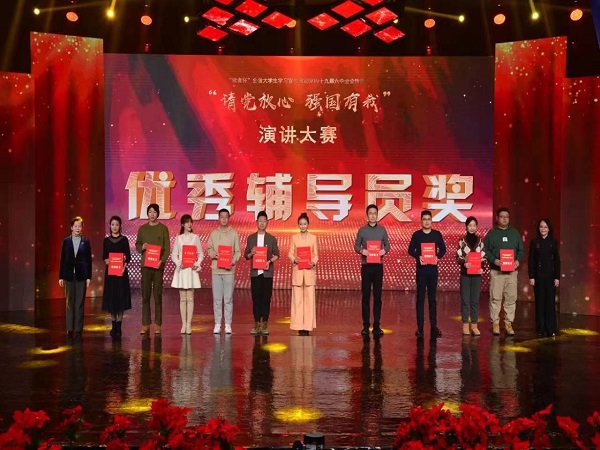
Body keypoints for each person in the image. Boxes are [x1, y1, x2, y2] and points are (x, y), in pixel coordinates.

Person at [484, 207, 525, 336]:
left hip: (511, 272)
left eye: (506, 217)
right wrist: (494, 260)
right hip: (497, 272)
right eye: (502, 217)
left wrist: (517, 260)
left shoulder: (515, 233)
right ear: (497, 218)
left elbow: (521, 250)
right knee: (495, 298)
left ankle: (508, 323)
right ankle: (495, 323)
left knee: (511, 298)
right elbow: (485, 250)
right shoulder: (491, 234)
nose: (504, 219)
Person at [408, 210, 447, 339]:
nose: (426, 221)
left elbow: (443, 249)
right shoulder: (417, 235)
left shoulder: (436, 234)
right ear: (421, 221)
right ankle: (420, 327)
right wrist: (418, 256)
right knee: (420, 299)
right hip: (421, 271)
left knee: (432, 299)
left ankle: (434, 326)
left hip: (433, 270)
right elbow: (410, 250)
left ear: (431, 220)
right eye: (424, 219)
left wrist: (437, 257)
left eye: (428, 219)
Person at [354, 204, 390, 337]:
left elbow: (388, 245)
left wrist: (383, 251)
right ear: (367, 215)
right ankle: (365, 326)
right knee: (365, 296)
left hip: (378, 267)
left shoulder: (382, 230)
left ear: (377, 215)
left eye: (375, 213)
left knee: (378, 296)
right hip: (366, 266)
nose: (373, 215)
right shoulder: (362, 230)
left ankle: (376, 325)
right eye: (370, 213)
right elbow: (356, 246)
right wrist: (361, 250)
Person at [135, 203, 170, 335]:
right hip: (145, 266)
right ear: (147, 213)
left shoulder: (163, 228)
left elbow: (167, 248)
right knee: (145, 295)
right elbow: (137, 245)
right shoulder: (142, 229)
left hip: (158, 266)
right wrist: (142, 247)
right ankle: (145, 324)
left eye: (154, 212)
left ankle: (158, 324)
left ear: (158, 214)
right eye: (150, 212)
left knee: (157, 295)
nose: (152, 214)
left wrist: (162, 261)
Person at [244, 211, 280, 336]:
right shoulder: (251, 238)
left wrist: (269, 261)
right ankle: (256, 323)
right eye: (260, 221)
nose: (262, 223)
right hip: (255, 273)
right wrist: (252, 253)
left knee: (266, 298)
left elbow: (277, 255)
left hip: (267, 273)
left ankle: (264, 323)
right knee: (256, 298)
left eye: (264, 221)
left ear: (267, 223)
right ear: (256, 222)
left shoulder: (271, 238)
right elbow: (246, 255)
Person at [207, 208, 241, 334]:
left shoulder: (234, 233)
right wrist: (213, 254)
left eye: (226, 217)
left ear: (229, 218)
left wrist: (232, 261)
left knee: (228, 299)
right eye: (222, 217)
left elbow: (238, 252)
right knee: (217, 299)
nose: (224, 219)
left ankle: (227, 324)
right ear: (218, 218)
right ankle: (217, 323)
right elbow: (209, 248)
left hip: (229, 270)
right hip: (216, 270)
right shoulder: (213, 234)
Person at [59, 216, 92, 337]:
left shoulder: (86, 242)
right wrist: (60, 276)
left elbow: (88, 261)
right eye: (75, 226)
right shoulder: (66, 241)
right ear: (71, 227)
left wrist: (88, 277)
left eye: (80, 226)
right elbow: (63, 259)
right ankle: (69, 328)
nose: (78, 228)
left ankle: (78, 329)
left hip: (81, 276)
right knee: (69, 303)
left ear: (82, 227)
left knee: (79, 303)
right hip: (68, 275)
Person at [171, 214, 204, 335]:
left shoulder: (195, 238)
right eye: (187, 222)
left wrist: (197, 263)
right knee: (182, 299)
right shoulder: (179, 238)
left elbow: (200, 254)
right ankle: (183, 324)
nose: (189, 224)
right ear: (182, 224)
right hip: (182, 270)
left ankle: (189, 324)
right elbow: (174, 255)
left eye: (191, 222)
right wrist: (179, 263)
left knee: (190, 299)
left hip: (191, 271)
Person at [528, 218, 560, 337]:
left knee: (550, 303)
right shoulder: (534, 242)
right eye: (541, 227)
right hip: (538, 277)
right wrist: (531, 276)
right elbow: (531, 260)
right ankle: (540, 329)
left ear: (549, 229)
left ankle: (551, 328)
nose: (543, 229)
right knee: (540, 303)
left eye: (545, 227)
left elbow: (557, 260)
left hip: (550, 277)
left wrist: (557, 277)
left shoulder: (553, 241)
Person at [289, 212, 319, 336]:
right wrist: (294, 259)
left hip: (309, 272)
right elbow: (290, 253)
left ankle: (307, 327)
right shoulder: (294, 238)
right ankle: (298, 326)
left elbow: (316, 255)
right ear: (298, 225)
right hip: (298, 272)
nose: (302, 226)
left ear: (308, 224)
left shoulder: (313, 238)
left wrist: (313, 262)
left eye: (304, 224)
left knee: (309, 302)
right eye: (301, 224)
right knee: (297, 301)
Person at [102, 216, 132, 338]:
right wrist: (106, 260)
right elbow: (104, 256)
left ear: (120, 226)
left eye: (117, 225)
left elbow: (128, 257)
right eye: (112, 224)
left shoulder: (124, 240)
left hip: (121, 274)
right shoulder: (106, 240)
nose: (114, 227)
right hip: (110, 274)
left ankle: (119, 326)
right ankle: (113, 324)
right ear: (110, 226)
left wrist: (124, 266)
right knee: (112, 299)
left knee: (120, 299)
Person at [455, 216, 485, 336]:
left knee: (475, 300)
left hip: (477, 275)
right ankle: (465, 325)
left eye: (474, 225)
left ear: (476, 227)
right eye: (470, 225)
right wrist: (464, 263)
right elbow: (458, 257)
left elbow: (484, 256)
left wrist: (482, 267)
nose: (472, 228)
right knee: (465, 300)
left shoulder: (480, 241)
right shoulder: (462, 241)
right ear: (466, 227)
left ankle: (474, 325)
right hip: (465, 274)